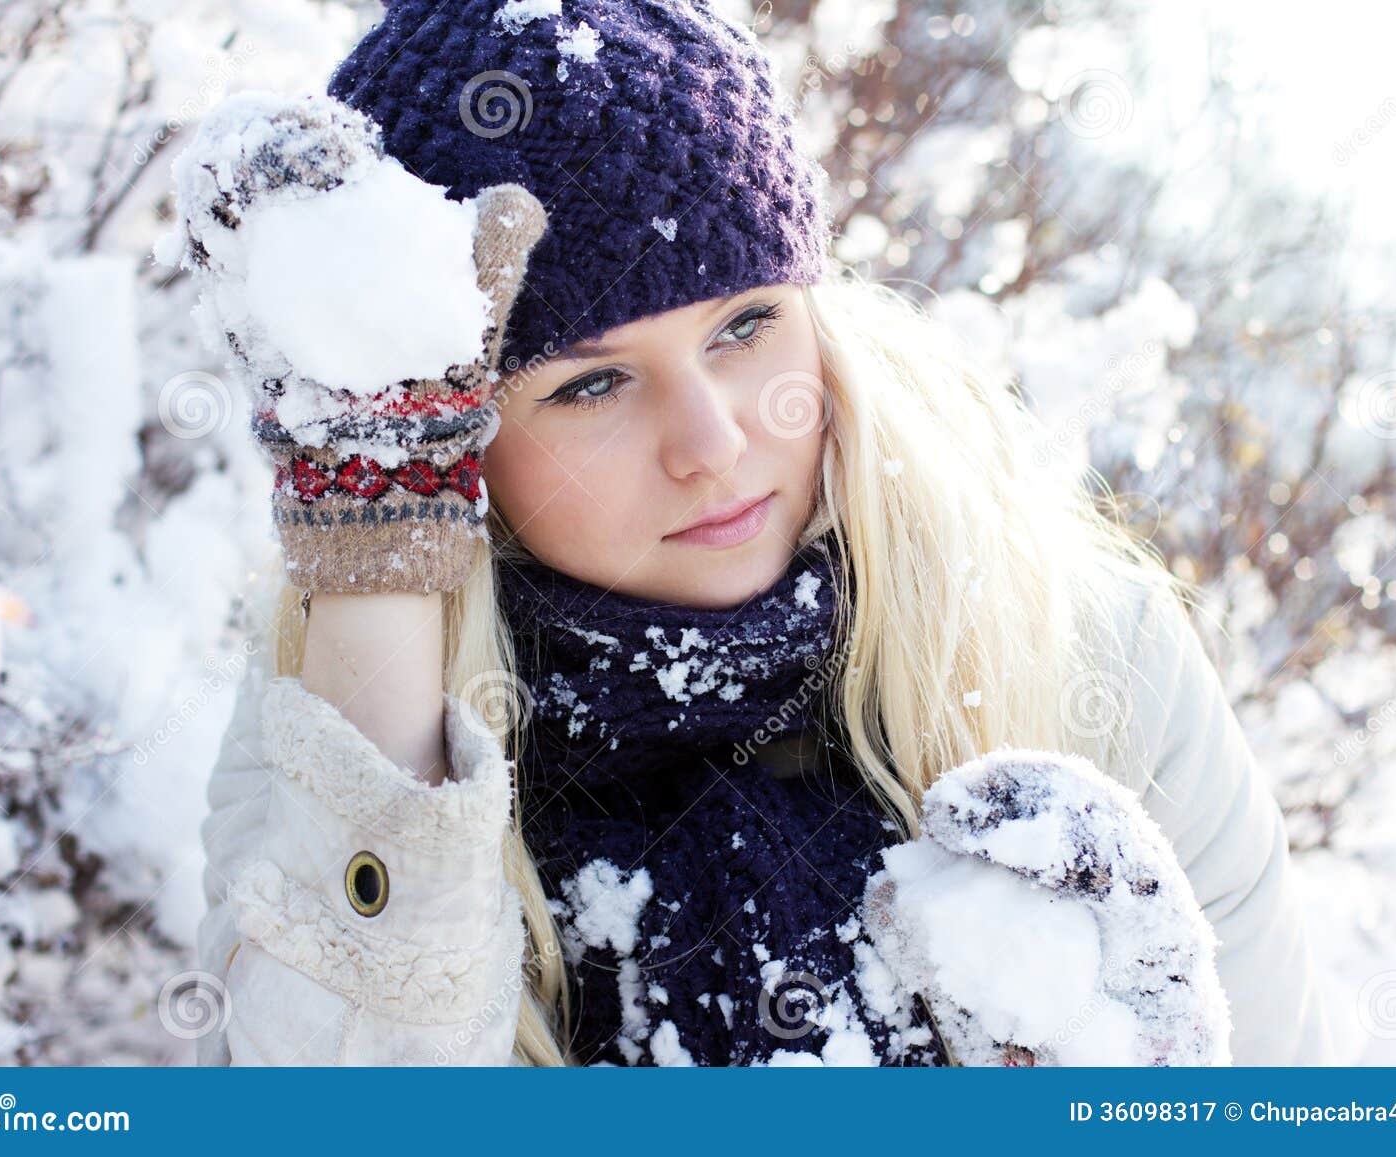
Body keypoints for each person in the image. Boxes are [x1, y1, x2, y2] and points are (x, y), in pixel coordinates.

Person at [188, 0, 1335, 1066]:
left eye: (745, 326)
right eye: (589, 386)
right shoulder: (337, 719)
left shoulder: (1078, 647)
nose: (713, 441)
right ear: (452, 436)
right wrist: (381, 562)